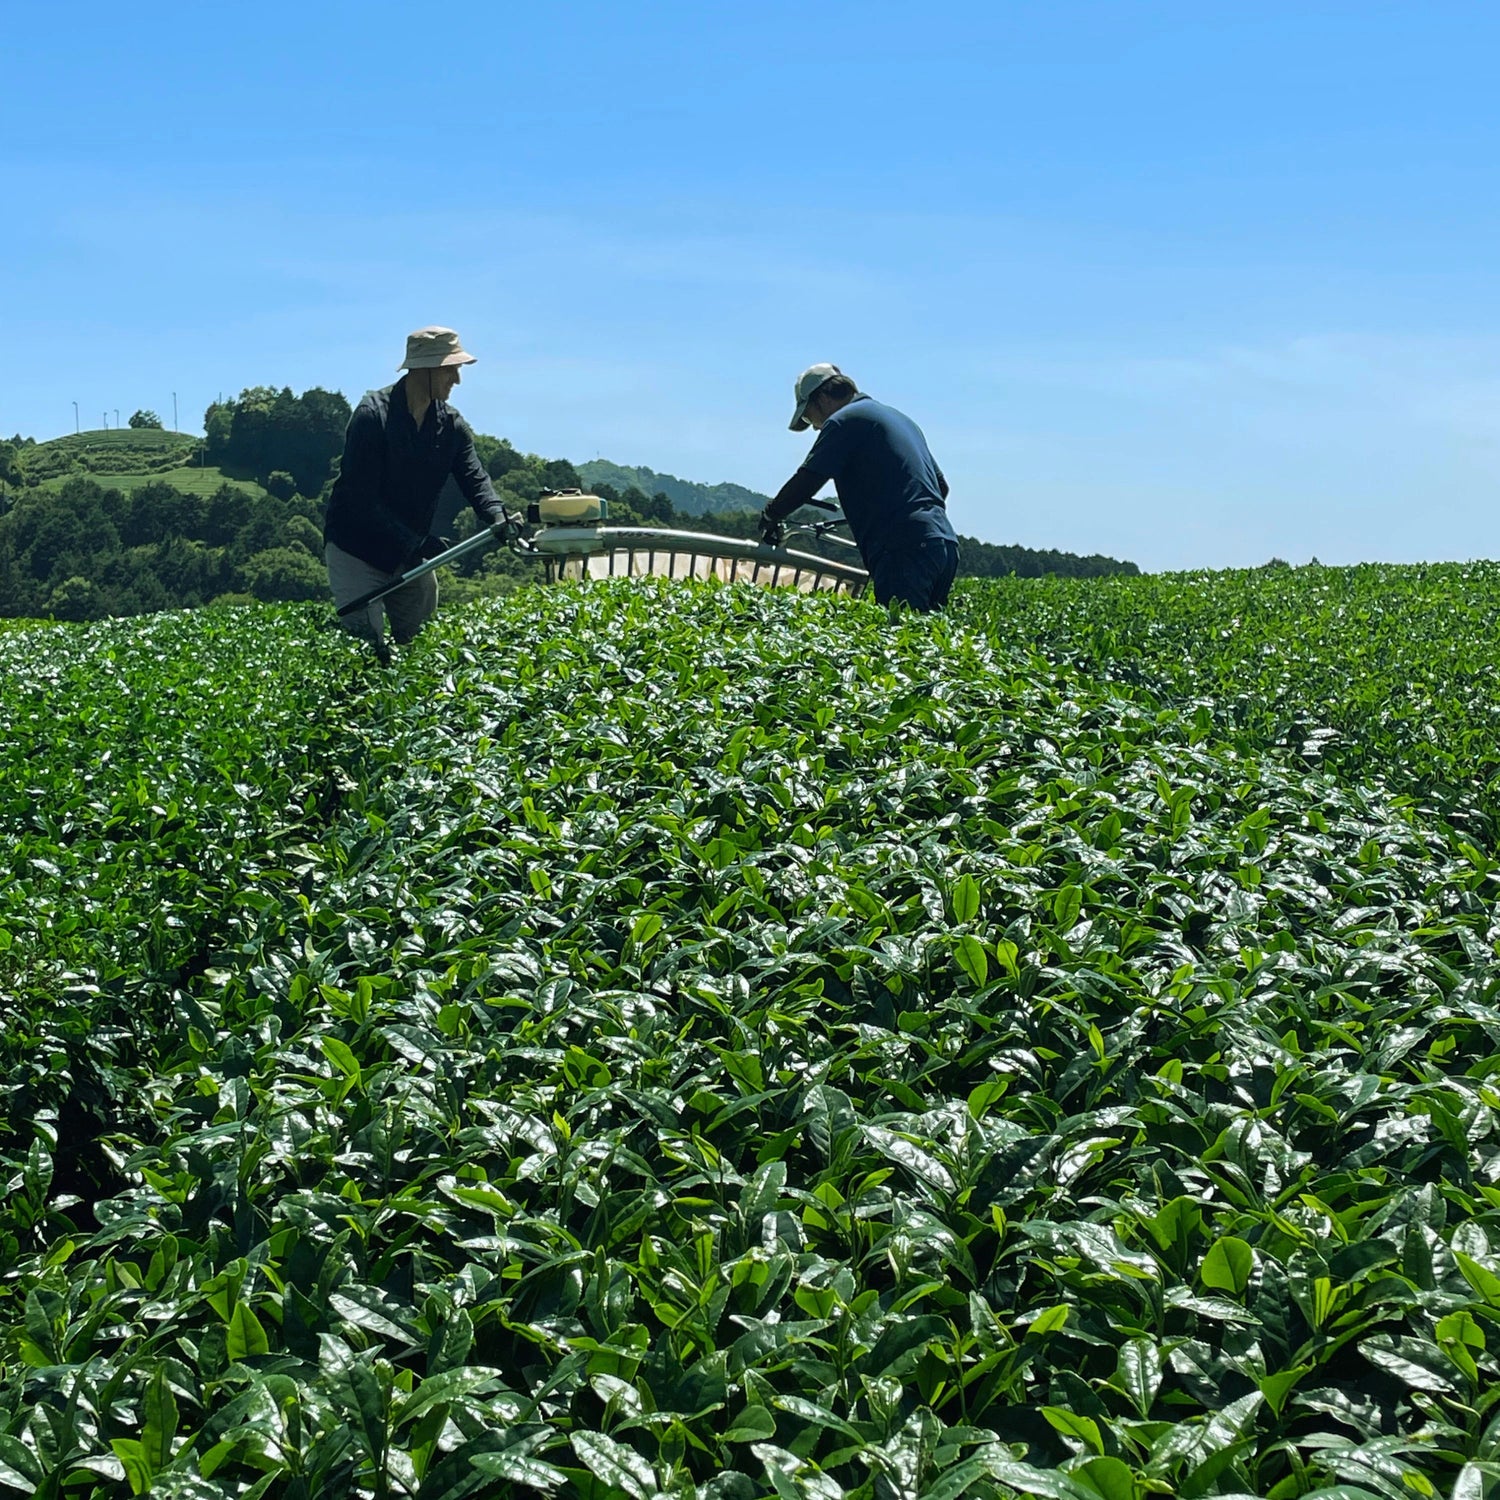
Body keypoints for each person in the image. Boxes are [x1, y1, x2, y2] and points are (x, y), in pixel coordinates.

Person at [323, 326, 509, 657]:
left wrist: (497, 514)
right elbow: (359, 499)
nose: (457, 379)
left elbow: (473, 476)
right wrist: (417, 543)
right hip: (356, 550)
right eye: (451, 370)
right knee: (366, 647)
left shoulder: (450, 425)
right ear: (425, 369)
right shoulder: (372, 417)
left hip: (408, 556)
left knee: (420, 648)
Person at [760, 364, 959, 611]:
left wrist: (771, 513)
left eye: (808, 415)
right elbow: (941, 487)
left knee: (901, 638)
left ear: (822, 398)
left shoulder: (845, 420)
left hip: (904, 549)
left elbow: (808, 480)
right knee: (929, 639)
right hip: (943, 544)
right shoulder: (900, 419)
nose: (814, 426)